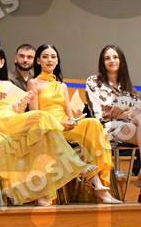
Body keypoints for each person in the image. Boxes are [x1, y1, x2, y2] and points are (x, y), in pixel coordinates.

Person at [0, 45, 95, 206]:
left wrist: (22, 104)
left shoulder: (8, 84)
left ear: (2, 63)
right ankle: (72, 163)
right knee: (40, 121)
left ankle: (43, 192)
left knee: (41, 127)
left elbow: (17, 111)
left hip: (13, 121)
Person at [27, 44, 120, 204]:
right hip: (47, 127)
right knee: (48, 127)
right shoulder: (33, 83)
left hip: (65, 126)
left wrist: (72, 120)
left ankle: (99, 181)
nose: (50, 60)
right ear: (38, 61)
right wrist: (59, 123)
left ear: (57, 61)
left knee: (93, 124)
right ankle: (97, 185)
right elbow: (35, 115)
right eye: (45, 56)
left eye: (53, 57)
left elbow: (69, 114)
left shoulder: (62, 85)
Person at [86, 45, 141, 203]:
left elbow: (136, 112)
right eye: (107, 58)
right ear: (102, 62)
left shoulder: (127, 86)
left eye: (115, 57)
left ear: (121, 61)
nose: (112, 60)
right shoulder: (94, 82)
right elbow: (103, 112)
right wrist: (128, 112)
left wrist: (128, 112)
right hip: (108, 128)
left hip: (130, 127)